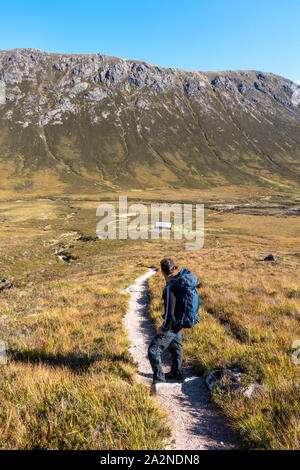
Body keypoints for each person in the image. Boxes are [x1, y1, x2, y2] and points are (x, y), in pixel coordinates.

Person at [148, 258, 183, 386]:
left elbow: (170, 312)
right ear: (174, 269)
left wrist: (163, 328)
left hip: (172, 324)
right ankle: (176, 373)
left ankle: (159, 379)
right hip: (179, 322)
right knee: (176, 347)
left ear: (162, 271)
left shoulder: (170, 288)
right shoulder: (178, 283)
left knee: (153, 350)